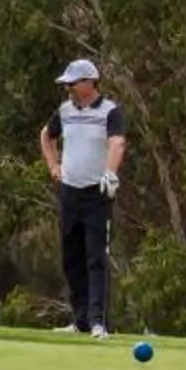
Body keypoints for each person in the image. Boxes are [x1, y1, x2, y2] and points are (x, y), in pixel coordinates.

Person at [38, 59, 126, 337]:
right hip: (69, 192)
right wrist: (54, 166)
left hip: (96, 193)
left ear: (89, 83)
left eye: (73, 84)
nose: (69, 89)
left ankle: (98, 321)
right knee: (71, 257)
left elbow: (117, 142)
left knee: (95, 257)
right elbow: (47, 136)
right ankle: (81, 321)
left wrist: (111, 172)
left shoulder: (110, 111)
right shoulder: (65, 111)